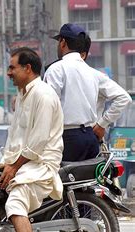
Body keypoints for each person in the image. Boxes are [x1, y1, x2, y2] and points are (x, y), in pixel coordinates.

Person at [0, 47, 64, 232]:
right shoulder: (22, 96)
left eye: (12, 68)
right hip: (21, 162)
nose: (8, 73)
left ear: (27, 68)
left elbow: (38, 140)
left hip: (40, 163)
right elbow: (15, 135)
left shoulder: (43, 95)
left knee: (16, 202)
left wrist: (14, 166)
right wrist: (4, 164)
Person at [44, 23, 131, 161]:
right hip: (90, 137)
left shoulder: (56, 69)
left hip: (66, 138)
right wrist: (102, 124)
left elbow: (48, 108)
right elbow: (124, 97)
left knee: (59, 181)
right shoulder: (93, 73)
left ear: (63, 42)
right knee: (88, 181)